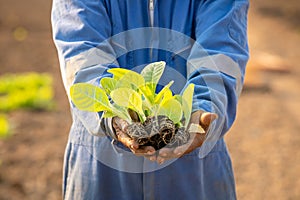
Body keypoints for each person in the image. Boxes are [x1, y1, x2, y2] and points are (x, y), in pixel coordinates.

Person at [51, 0, 249, 199]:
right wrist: (112, 113)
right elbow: (81, 53)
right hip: (102, 162)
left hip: (194, 166)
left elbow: (221, 55)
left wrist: (202, 108)